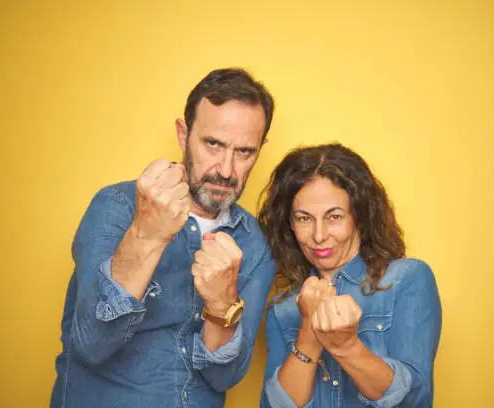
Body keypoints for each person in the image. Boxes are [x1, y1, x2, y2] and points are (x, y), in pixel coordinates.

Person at [51, 68, 277, 408]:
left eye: (244, 152)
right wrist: (147, 236)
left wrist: (221, 306)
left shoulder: (255, 244)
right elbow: (91, 345)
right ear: (183, 134)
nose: (227, 170)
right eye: (213, 144)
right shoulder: (116, 207)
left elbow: (224, 378)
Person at [258, 143, 442, 407]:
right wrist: (308, 335)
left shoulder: (407, 280)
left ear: (359, 215)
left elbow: (415, 399)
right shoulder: (284, 309)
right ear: (289, 224)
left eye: (334, 217)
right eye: (304, 218)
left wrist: (346, 347)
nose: (319, 236)